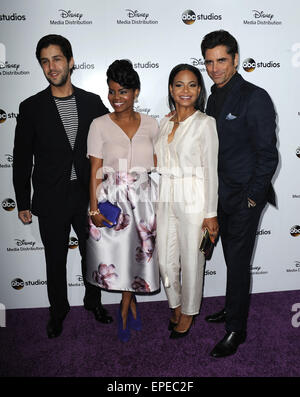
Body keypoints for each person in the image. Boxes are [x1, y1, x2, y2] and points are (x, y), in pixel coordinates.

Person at [13, 34, 113, 339]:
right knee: (54, 260)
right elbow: (21, 158)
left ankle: (93, 302)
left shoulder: (92, 102)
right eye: (45, 61)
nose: (51, 66)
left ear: (70, 62)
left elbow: (105, 151)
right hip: (51, 197)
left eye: (57, 59)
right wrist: (23, 202)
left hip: (86, 196)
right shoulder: (31, 107)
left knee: (91, 255)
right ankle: (57, 311)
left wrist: (106, 191)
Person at [201, 30, 278, 357]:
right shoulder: (211, 96)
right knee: (230, 258)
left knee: (238, 260)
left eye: (221, 60)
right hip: (219, 194)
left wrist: (251, 197)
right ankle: (233, 310)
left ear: (235, 59)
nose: (215, 68)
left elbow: (268, 154)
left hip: (245, 196)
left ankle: (236, 329)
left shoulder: (255, 96)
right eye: (209, 62)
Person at [86, 59, 160, 342]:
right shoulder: (99, 125)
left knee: (139, 254)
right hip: (112, 199)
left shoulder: (153, 124)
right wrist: (93, 208)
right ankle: (127, 306)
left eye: (123, 92)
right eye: (112, 91)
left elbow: (158, 163)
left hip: (143, 200)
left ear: (136, 92)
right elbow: (94, 169)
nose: (116, 98)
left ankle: (127, 305)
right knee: (119, 257)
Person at [155, 64, 219, 339]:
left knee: (193, 260)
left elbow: (211, 170)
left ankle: (190, 312)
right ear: (171, 89)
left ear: (199, 90)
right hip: (166, 194)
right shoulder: (164, 121)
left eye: (192, 85)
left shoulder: (205, 123)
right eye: (179, 84)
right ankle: (176, 303)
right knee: (165, 261)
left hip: (194, 196)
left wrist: (211, 213)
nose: (185, 90)